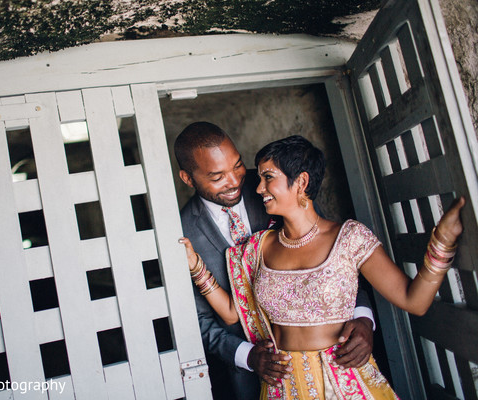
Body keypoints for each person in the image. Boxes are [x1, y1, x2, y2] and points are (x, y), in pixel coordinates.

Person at [180, 135, 465, 399]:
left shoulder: (349, 238)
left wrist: (442, 242)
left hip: (344, 381)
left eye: (267, 177)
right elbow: (232, 313)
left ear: (301, 182)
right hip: (283, 388)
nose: (256, 188)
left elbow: (414, 301)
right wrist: (196, 266)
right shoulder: (257, 248)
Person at [175, 123, 376, 400]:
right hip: (252, 377)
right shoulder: (181, 232)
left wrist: (363, 318)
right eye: (217, 176)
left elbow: (336, 258)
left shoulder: (272, 189)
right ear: (188, 178)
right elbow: (198, 318)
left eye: (237, 166)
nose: (234, 181)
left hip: (335, 360)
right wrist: (246, 356)